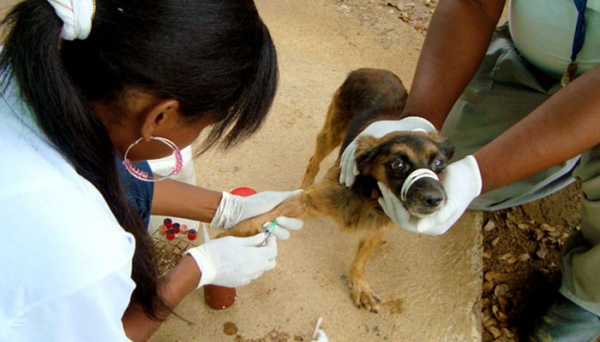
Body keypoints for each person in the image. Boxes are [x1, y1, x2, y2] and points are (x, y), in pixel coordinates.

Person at [0, 0, 303, 341]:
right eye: (206, 125)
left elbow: (120, 176)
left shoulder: (32, 72)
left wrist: (228, 208)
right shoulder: (83, 253)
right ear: (161, 116)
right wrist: (197, 269)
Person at [341, 0, 600, 340]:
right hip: (527, 66)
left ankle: (589, 294)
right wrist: (418, 125)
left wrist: (479, 174)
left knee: (471, 176)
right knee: (449, 173)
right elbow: (473, 4)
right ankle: (555, 160)